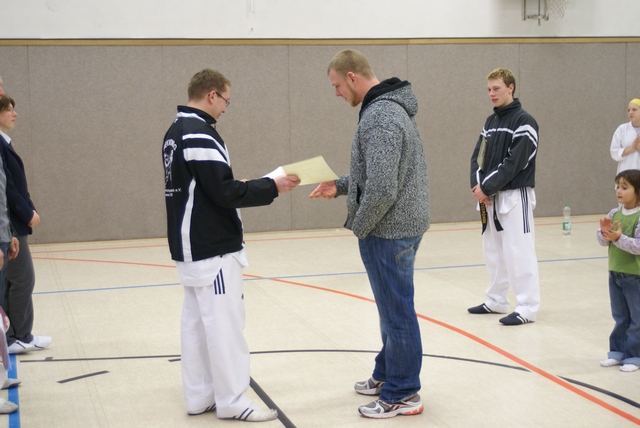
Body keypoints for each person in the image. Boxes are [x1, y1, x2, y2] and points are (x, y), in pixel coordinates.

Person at [163, 69, 299, 422]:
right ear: (212, 95)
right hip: (213, 247)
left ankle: (199, 396)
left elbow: (205, 186)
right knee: (225, 327)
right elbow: (224, 192)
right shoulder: (199, 132)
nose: (225, 108)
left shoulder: (175, 131)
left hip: (190, 246)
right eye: (225, 100)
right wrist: (272, 186)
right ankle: (233, 400)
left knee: (196, 326)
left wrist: (245, 184)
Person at [310, 49, 429, 419]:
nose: (336, 93)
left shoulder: (380, 116)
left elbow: (381, 189)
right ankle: (387, 372)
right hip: (397, 226)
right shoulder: (387, 109)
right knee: (391, 309)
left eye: (336, 85)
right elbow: (375, 175)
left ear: (352, 77)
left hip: (389, 231)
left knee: (397, 313)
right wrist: (340, 185)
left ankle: (403, 393)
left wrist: (359, 227)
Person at [468, 67, 540, 326]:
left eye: (496, 88)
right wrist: (478, 187)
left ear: (511, 87)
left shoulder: (525, 122)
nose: (491, 93)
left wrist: (486, 187)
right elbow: (478, 157)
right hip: (489, 198)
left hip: (515, 197)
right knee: (493, 251)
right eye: (489, 89)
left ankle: (527, 306)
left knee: (519, 252)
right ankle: (497, 300)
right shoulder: (490, 122)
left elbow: (515, 163)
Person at [0, 95, 49, 354]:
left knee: (15, 281)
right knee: (22, 280)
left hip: (13, 223)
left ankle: (16, 335)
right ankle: (17, 335)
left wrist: (30, 207)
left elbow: (17, 184)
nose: (14, 113)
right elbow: (6, 189)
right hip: (9, 223)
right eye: (8, 109)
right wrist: (25, 211)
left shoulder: (5, 143)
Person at [597, 169, 640, 373]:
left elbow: (638, 246)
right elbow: (602, 241)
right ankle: (617, 353)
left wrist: (618, 238)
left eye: (624, 187)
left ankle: (634, 356)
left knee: (636, 319)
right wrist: (604, 233)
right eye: (617, 187)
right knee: (620, 316)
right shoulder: (614, 213)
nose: (619, 191)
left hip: (635, 276)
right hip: (615, 273)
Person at [610, 99, 640, 174]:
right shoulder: (622, 129)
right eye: (628, 110)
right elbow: (614, 151)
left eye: (634, 109)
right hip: (626, 170)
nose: (630, 112)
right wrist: (632, 148)